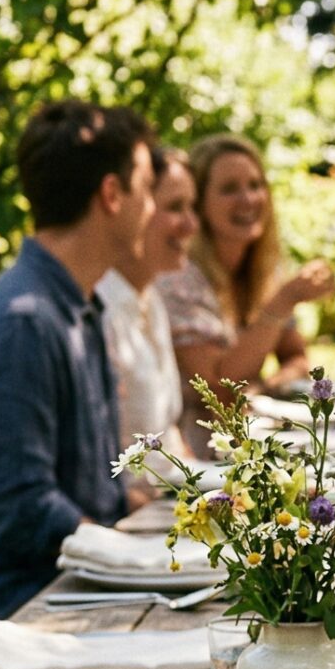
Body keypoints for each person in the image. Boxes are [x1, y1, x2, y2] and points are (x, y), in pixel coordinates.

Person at [0, 100, 156, 618]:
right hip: (27, 605)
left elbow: (93, 486)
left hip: (75, 580)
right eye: (146, 189)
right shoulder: (23, 322)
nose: (150, 207)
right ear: (111, 194)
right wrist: (130, 558)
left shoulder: (78, 304)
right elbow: (23, 513)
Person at [157, 134, 332, 408]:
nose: (248, 199)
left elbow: (297, 358)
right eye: (229, 188)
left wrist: (266, 387)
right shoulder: (179, 277)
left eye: (255, 185)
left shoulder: (264, 271)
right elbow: (216, 383)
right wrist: (285, 299)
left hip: (251, 438)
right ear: (199, 202)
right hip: (197, 444)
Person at [97, 141, 198, 469]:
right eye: (175, 207)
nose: (191, 225)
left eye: (192, 207)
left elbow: (166, 433)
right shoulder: (97, 309)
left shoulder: (150, 298)